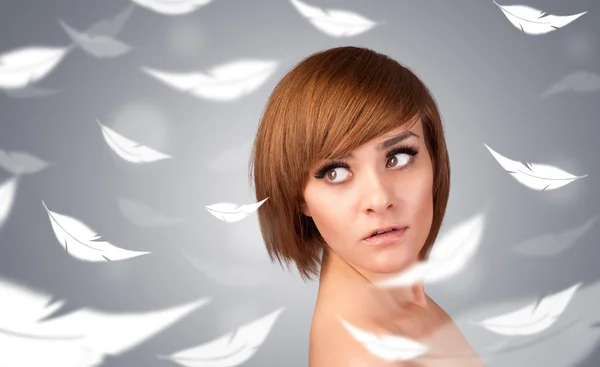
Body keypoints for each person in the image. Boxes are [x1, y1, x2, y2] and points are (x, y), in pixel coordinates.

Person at [248, 46, 485, 366]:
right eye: (335, 172)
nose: (379, 198)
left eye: (398, 157)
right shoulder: (369, 355)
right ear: (298, 197)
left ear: (434, 158)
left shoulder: (412, 312)